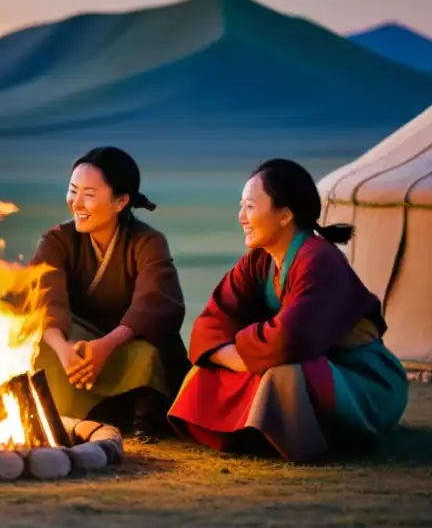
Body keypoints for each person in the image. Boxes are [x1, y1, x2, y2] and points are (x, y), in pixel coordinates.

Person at [167, 158, 409, 462]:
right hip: (292, 361)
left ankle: (304, 441)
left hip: (358, 377)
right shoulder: (258, 261)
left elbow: (292, 338)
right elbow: (210, 322)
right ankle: (256, 433)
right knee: (208, 371)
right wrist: (240, 358)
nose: (241, 217)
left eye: (250, 207)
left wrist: (240, 348)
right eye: (241, 207)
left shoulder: (319, 260)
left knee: (285, 374)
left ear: (285, 214)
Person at [30, 147, 190, 434]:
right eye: (72, 191)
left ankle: (135, 413)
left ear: (120, 201)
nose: (77, 203)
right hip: (75, 349)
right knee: (35, 345)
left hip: (125, 345)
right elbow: (45, 301)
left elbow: (154, 303)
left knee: (148, 353)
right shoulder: (56, 241)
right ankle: (86, 411)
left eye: (89, 195)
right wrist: (64, 351)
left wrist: (106, 347)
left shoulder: (148, 241)